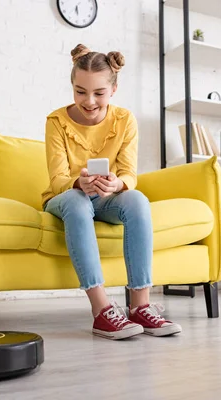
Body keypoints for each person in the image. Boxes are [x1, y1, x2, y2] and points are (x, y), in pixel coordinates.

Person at [41, 44, 182, 340]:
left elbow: (129, 173)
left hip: (105, 196)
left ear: (113, 89)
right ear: (72, 86)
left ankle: (139, 307)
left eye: (98, 93)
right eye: (80, 91)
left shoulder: (125, 120)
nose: (89, 101)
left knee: (136, 199)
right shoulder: (56, 121)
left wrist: (116, 184)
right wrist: (79, 183)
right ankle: (101, 311)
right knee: (78, 201)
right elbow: (57, 181)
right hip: (66, 198)